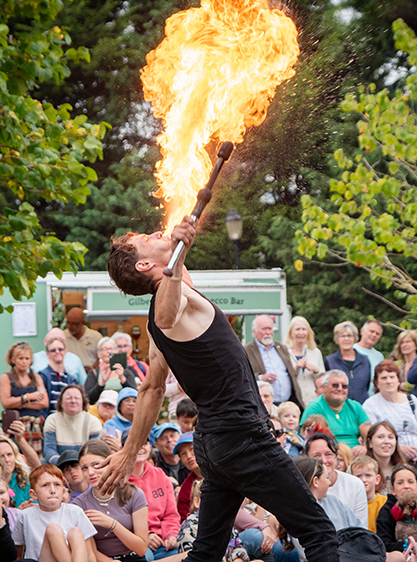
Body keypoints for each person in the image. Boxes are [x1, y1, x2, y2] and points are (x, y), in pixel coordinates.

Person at [103, 219, 339, 562]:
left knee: (207, 554)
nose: (157, 233)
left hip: (215, 445)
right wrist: (176, 261)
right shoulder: (169, 304)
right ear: (145, 265)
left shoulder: (161, 312)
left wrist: (129, 451)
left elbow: (152, 389)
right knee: (319, 532)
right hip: (242, 438)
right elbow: (169, 313)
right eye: (145, 238)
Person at [72, 440, 150, 562]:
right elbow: (89, 551)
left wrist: (113, 524)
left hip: (133, 557)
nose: (90, 472)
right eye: (84, 468)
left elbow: (141, 548)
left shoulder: (135, 494)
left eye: (96, 465)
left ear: (110, 463)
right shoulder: (79, 504)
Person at [278, 457, 365, 561]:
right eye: (326, 477)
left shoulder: (334, 501)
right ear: (316, 481)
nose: (329, 482)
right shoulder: (297, 512)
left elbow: (360, 532)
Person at [13, 464, 96, 562]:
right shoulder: (25, 515)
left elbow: (90, 553)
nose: (52, 490)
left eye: (57, 485)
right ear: (33, 494)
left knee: (76, 533)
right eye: (45, 485)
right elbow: (18, 553)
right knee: (53, 529)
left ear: (63, 491)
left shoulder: (75, 511)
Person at [123, 428, 181, 560]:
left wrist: (171, 535)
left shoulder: (160, 475)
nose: (140, 448)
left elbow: (171, 515)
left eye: (144, 443)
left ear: (150, 446)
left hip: (162, 541)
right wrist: (145, 535)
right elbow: (119, 520)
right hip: (134, 543)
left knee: (187, 554)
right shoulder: (118, 480)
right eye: (134, 443)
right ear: (122, 448)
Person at [363, 360, 417, 461]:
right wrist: (398, 449)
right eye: (384, 378)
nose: (389, 381)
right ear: (376, 383)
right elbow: (373, 436)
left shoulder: (412, 400)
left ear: (398, 380)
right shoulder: (370, 405)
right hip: (389, 459)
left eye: (392, 377)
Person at [305, 433, 368, 524]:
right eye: (316, 456)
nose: (324, 460)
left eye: (328, 454)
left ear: (336, 456)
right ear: (307, 458)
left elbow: (361, 527)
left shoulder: (355, 484)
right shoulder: (303, 486)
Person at [245, 314, 304, 408]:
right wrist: (260, 378)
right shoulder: (247, 351)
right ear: (254, 331)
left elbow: (289, 374)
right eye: (264, 329)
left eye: (270, 328)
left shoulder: (281, 348)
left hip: (288, 403)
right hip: (265, 405)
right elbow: (244, 376)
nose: (268, 332)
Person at [303, 370, 371, 447]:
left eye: (344, 386)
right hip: (330, 452)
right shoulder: (314, 408)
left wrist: (364, 448)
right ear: (324, 387)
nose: (339, 389)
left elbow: (368, 436)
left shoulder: (356, 406)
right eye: (335, 385)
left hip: (356, 454)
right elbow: (311, 440)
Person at [43, 384, 102, 465]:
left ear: (83, 402)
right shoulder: (52, 419)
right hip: (59, 464)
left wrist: (79, 467)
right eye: (68, 398)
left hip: (84, 465)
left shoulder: (93, 421)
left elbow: (94, 451)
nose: (73, 401)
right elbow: (49, 449)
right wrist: (61, 465)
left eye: (77, 398)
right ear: (61, 403)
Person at [324, 321, 372, 404]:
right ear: (337, 339)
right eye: (342, 336)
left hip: (362, 408)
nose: (346, 339)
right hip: (339, 407)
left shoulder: (365, 360)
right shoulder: (330, 361)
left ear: (355, 338)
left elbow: (366, 386)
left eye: (349, 336)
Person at [0, 342, 49, 419]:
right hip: (15, 423)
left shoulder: (36, 378)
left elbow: (44, 403)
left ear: (31, 360)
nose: (24, 362)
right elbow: (6, 403)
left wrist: (20, 403)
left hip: (35, 424)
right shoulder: (6, 377)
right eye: (21, 358)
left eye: (27, 358)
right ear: (13, 360)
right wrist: (29, 397)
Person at [0, 435, 33, 509]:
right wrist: (17, 513)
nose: (7, 460)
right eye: (1, 456)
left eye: (9, 454)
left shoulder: (26, 481)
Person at [86, 336, 139, 404]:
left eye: (111, 349)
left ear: (116, 351)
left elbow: (134, 395)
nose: (109, 351)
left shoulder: (126, 372)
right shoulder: (94, 373)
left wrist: (122, 378)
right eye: (105, 349)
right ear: (99, 354)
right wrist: (102, 382)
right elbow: (88, 398)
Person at [285, 316, 325, 402]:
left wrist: (316, 370)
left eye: (304, 329)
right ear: (291, 333)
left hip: (312, 399)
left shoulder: (315, 352)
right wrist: (295, 369)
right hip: (293, 399)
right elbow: (283, 377)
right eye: (297, 329)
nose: (301, 332)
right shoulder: (285, 352)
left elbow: (323, 379)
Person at [348, 455, 386, 533]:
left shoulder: (384, 502)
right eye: (358, 476)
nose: (363, 480)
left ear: (377, 479)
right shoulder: (348, 503)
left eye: (368, 475)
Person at [355, 319, 386, 394]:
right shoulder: (352, 350)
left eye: (377, 333)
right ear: (362, 331)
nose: (374, 335)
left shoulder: (380, 357)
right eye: (371, 331)